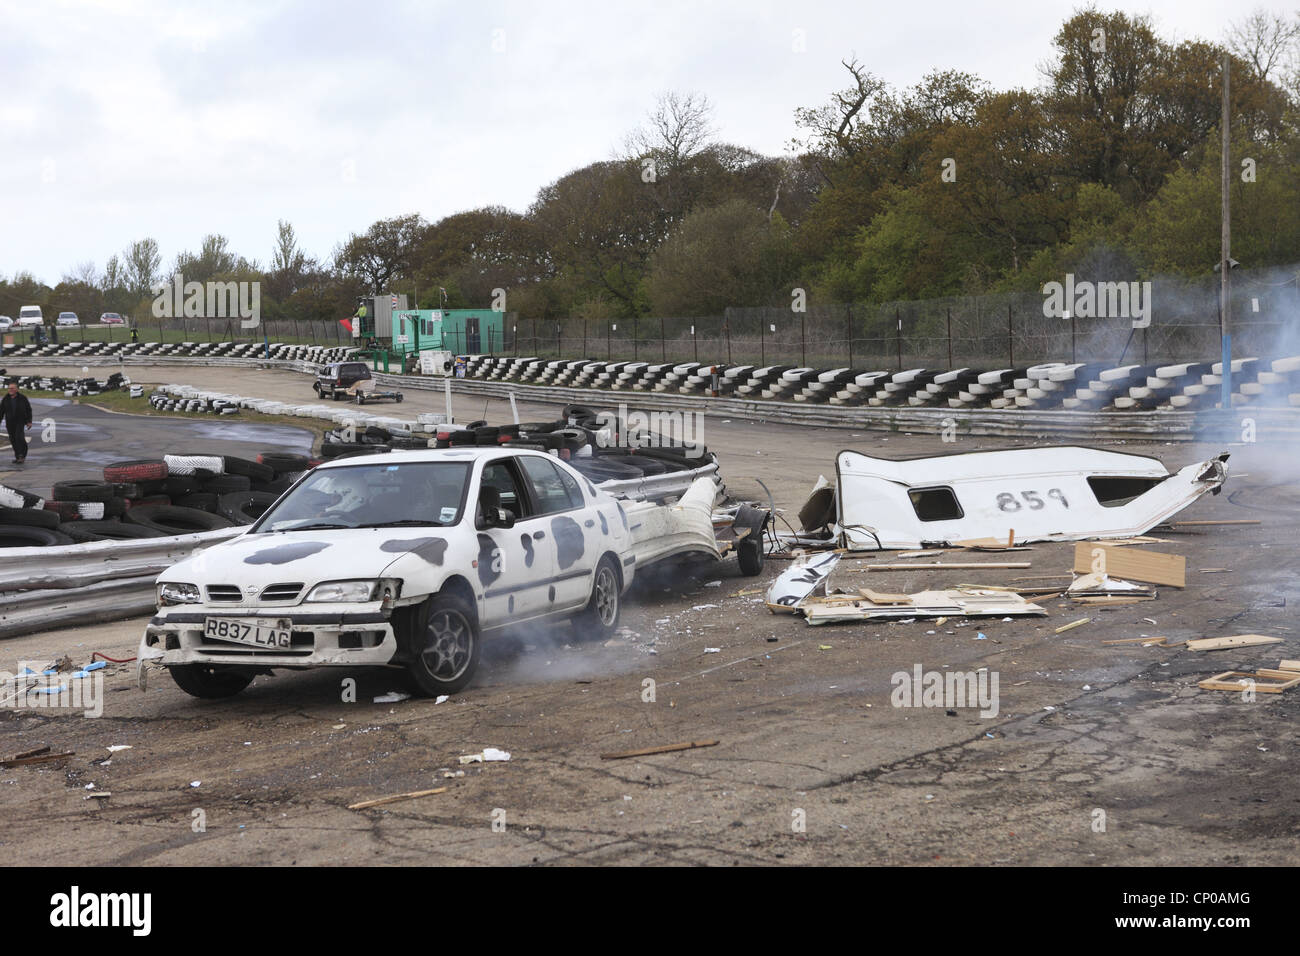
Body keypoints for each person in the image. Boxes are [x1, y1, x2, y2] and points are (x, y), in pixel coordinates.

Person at [1, 381, 34, 464]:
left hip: (20, 421)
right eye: (9, 388)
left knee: (19, 437)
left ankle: (21, 456)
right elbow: (1, 412)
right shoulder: (5, 399)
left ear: (16, 389)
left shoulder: (22, 398)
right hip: (10, 422)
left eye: (12, 388)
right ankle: (18, 456)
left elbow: (28, 410)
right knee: (13, 439)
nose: (10, 390)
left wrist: (29, 421)